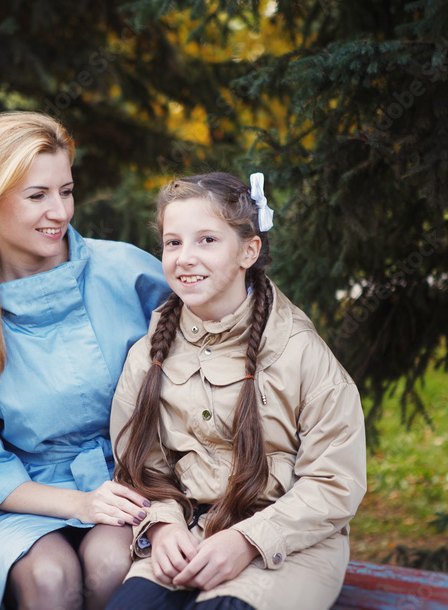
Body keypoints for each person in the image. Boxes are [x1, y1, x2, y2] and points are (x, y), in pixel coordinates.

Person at [0, 111, 171, 610]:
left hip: (134, 478)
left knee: (110, 565)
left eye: (67, 191)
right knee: (50, 576)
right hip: (23, 496)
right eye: (37, 196)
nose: (59, 211)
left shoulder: (125, 272)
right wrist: (77, 503)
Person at [107, 172, 367, 610]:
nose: (185, 257)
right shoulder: (149, 355)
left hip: (288, 543)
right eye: (174, 243)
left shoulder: (299, 353)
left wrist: (248, 540)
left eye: (206, 240)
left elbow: (334, 481)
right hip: (192, 533)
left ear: (249, 250)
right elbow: (140, 465)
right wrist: (164, 525)